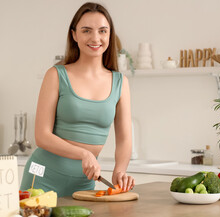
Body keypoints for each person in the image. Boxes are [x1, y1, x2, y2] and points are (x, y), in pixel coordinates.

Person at [20, 2, 135, 197]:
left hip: (83, 183)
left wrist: (120, 171)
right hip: (41, 176)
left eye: (102, 31)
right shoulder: (56, 75)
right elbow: (42, 135)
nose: (95, 38)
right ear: (74, 35)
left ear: (110, 35)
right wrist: (84, 153)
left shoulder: (120, 82)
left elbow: (124, 138)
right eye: (86, 30)